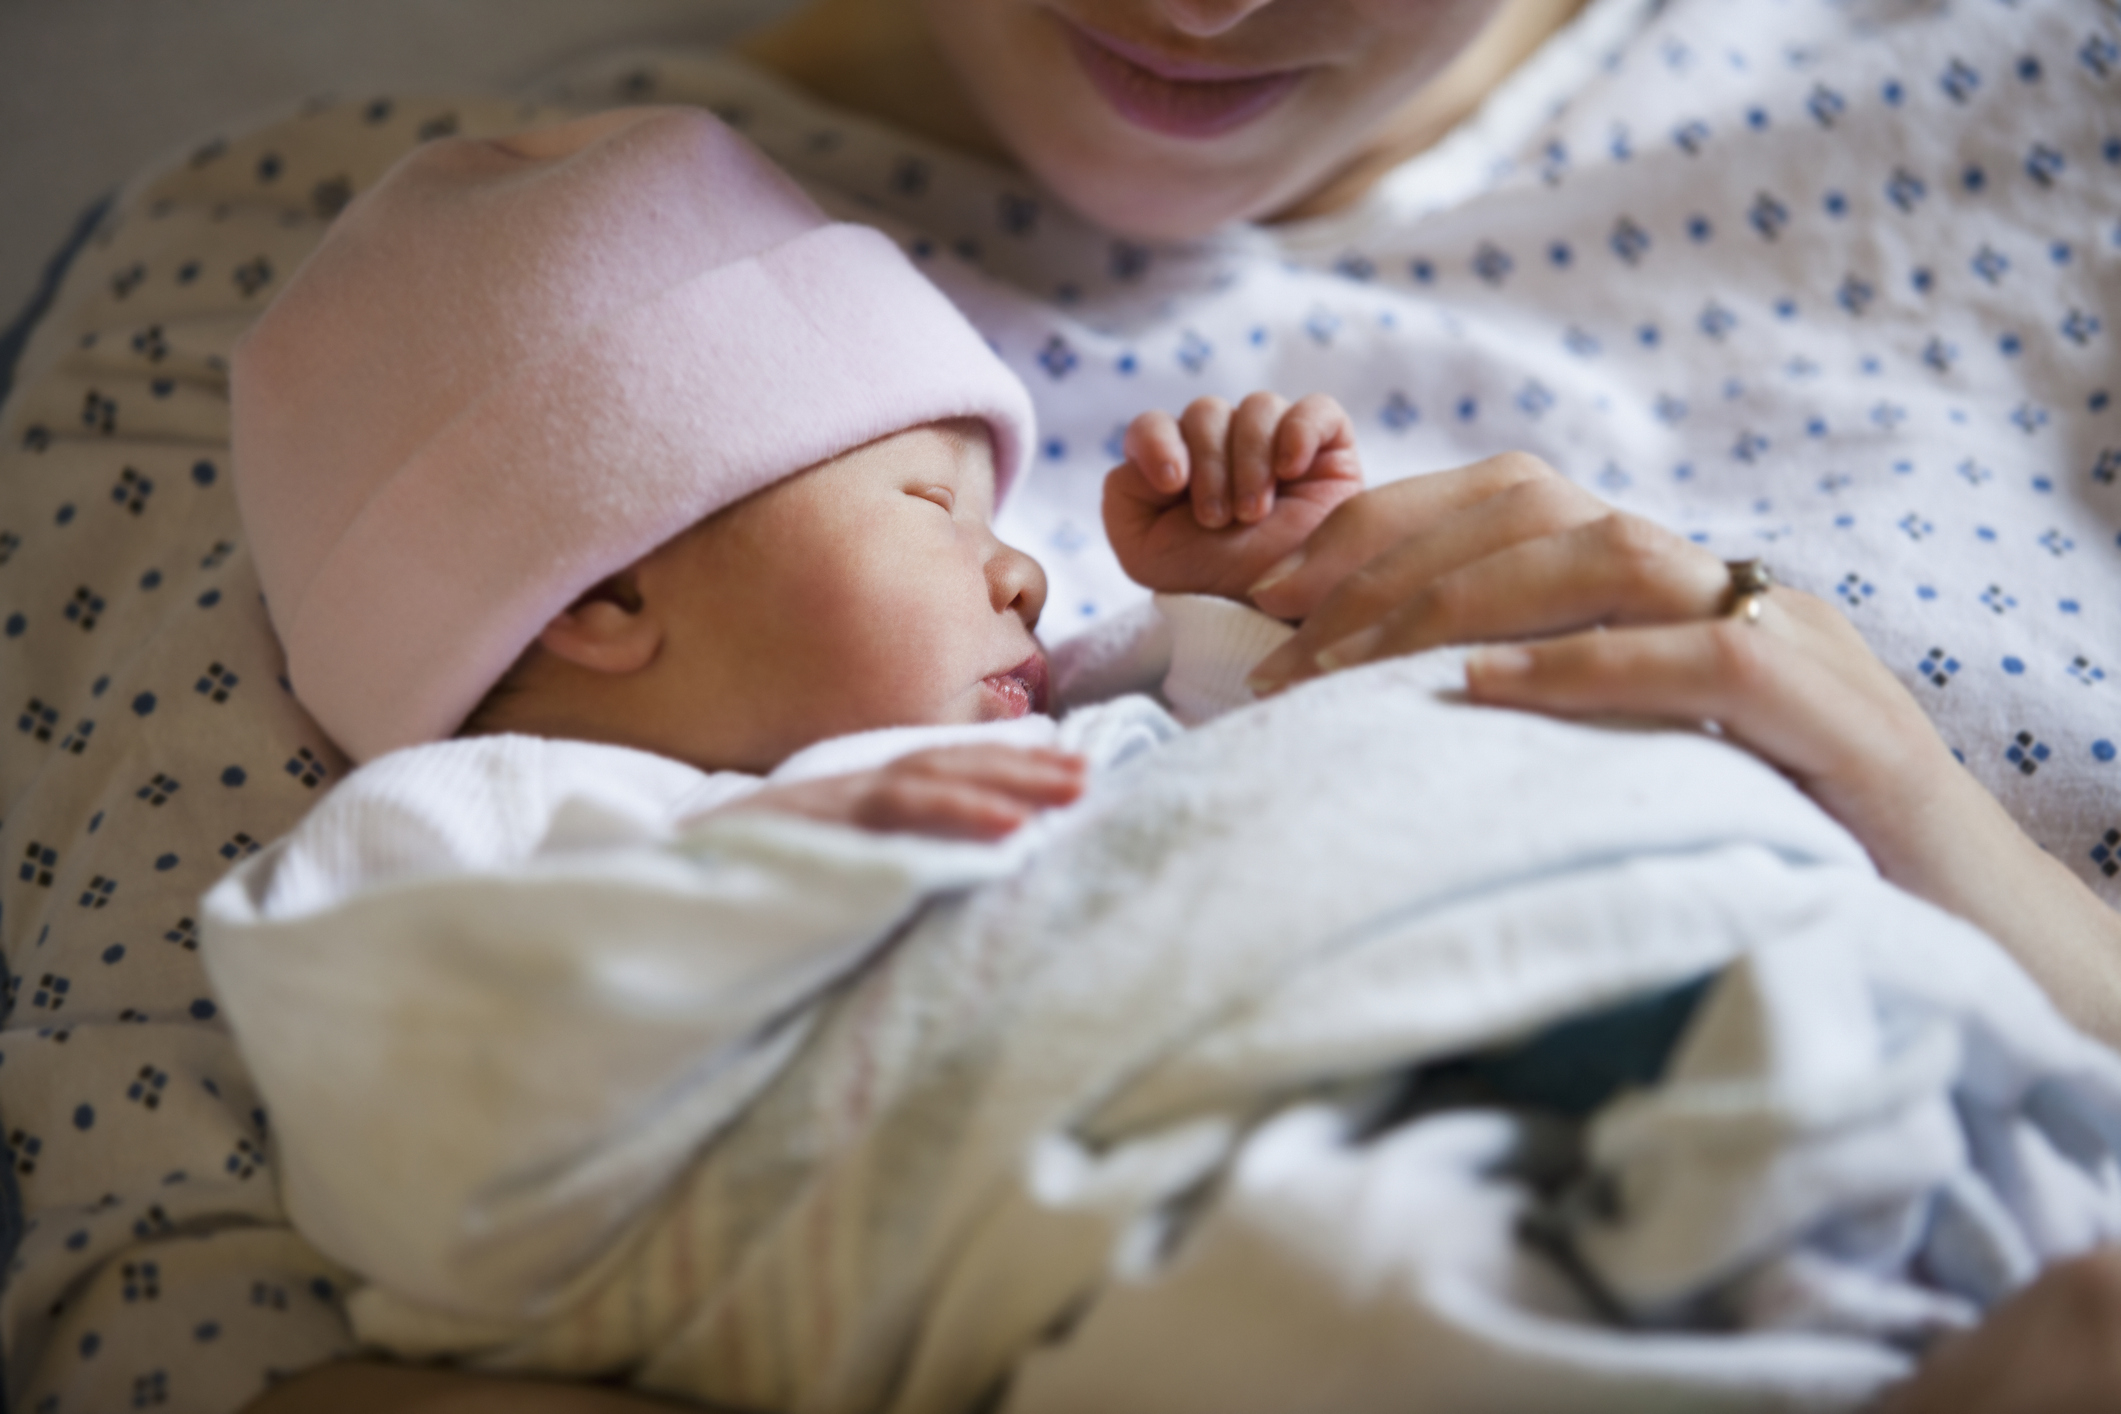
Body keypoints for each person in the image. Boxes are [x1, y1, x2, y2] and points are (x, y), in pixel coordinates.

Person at [1, 0, 2113, 1409]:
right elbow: (344, 1114)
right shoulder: (457, 738)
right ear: (612, 596)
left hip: (1672, 986)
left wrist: (1248, 601)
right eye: (936, 499)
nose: (1193, 4)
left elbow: (1235, 721)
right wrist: (764, 885)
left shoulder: (2037, 103)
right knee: (1339, 1293)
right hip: (1273, 1168)